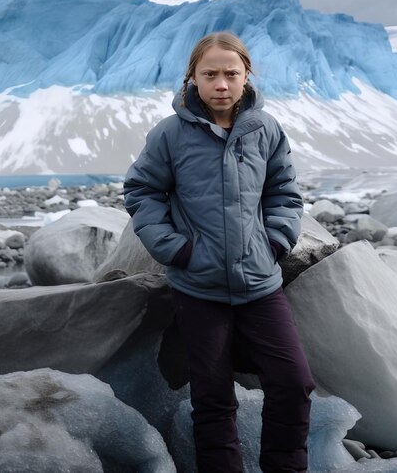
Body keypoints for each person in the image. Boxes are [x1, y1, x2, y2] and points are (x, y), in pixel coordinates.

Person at [123, 31, 315, 473]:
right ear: (193, 77)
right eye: (210, 74)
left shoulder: (265, 129)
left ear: (247, 76)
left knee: (293, 382)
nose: (221, 84)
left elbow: (283, 192)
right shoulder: (170, 134)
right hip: (199, 287)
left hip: (260, 284)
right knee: (211, 397)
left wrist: (274, 242)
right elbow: (141, 191)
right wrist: (176, 250)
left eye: (231, 74)